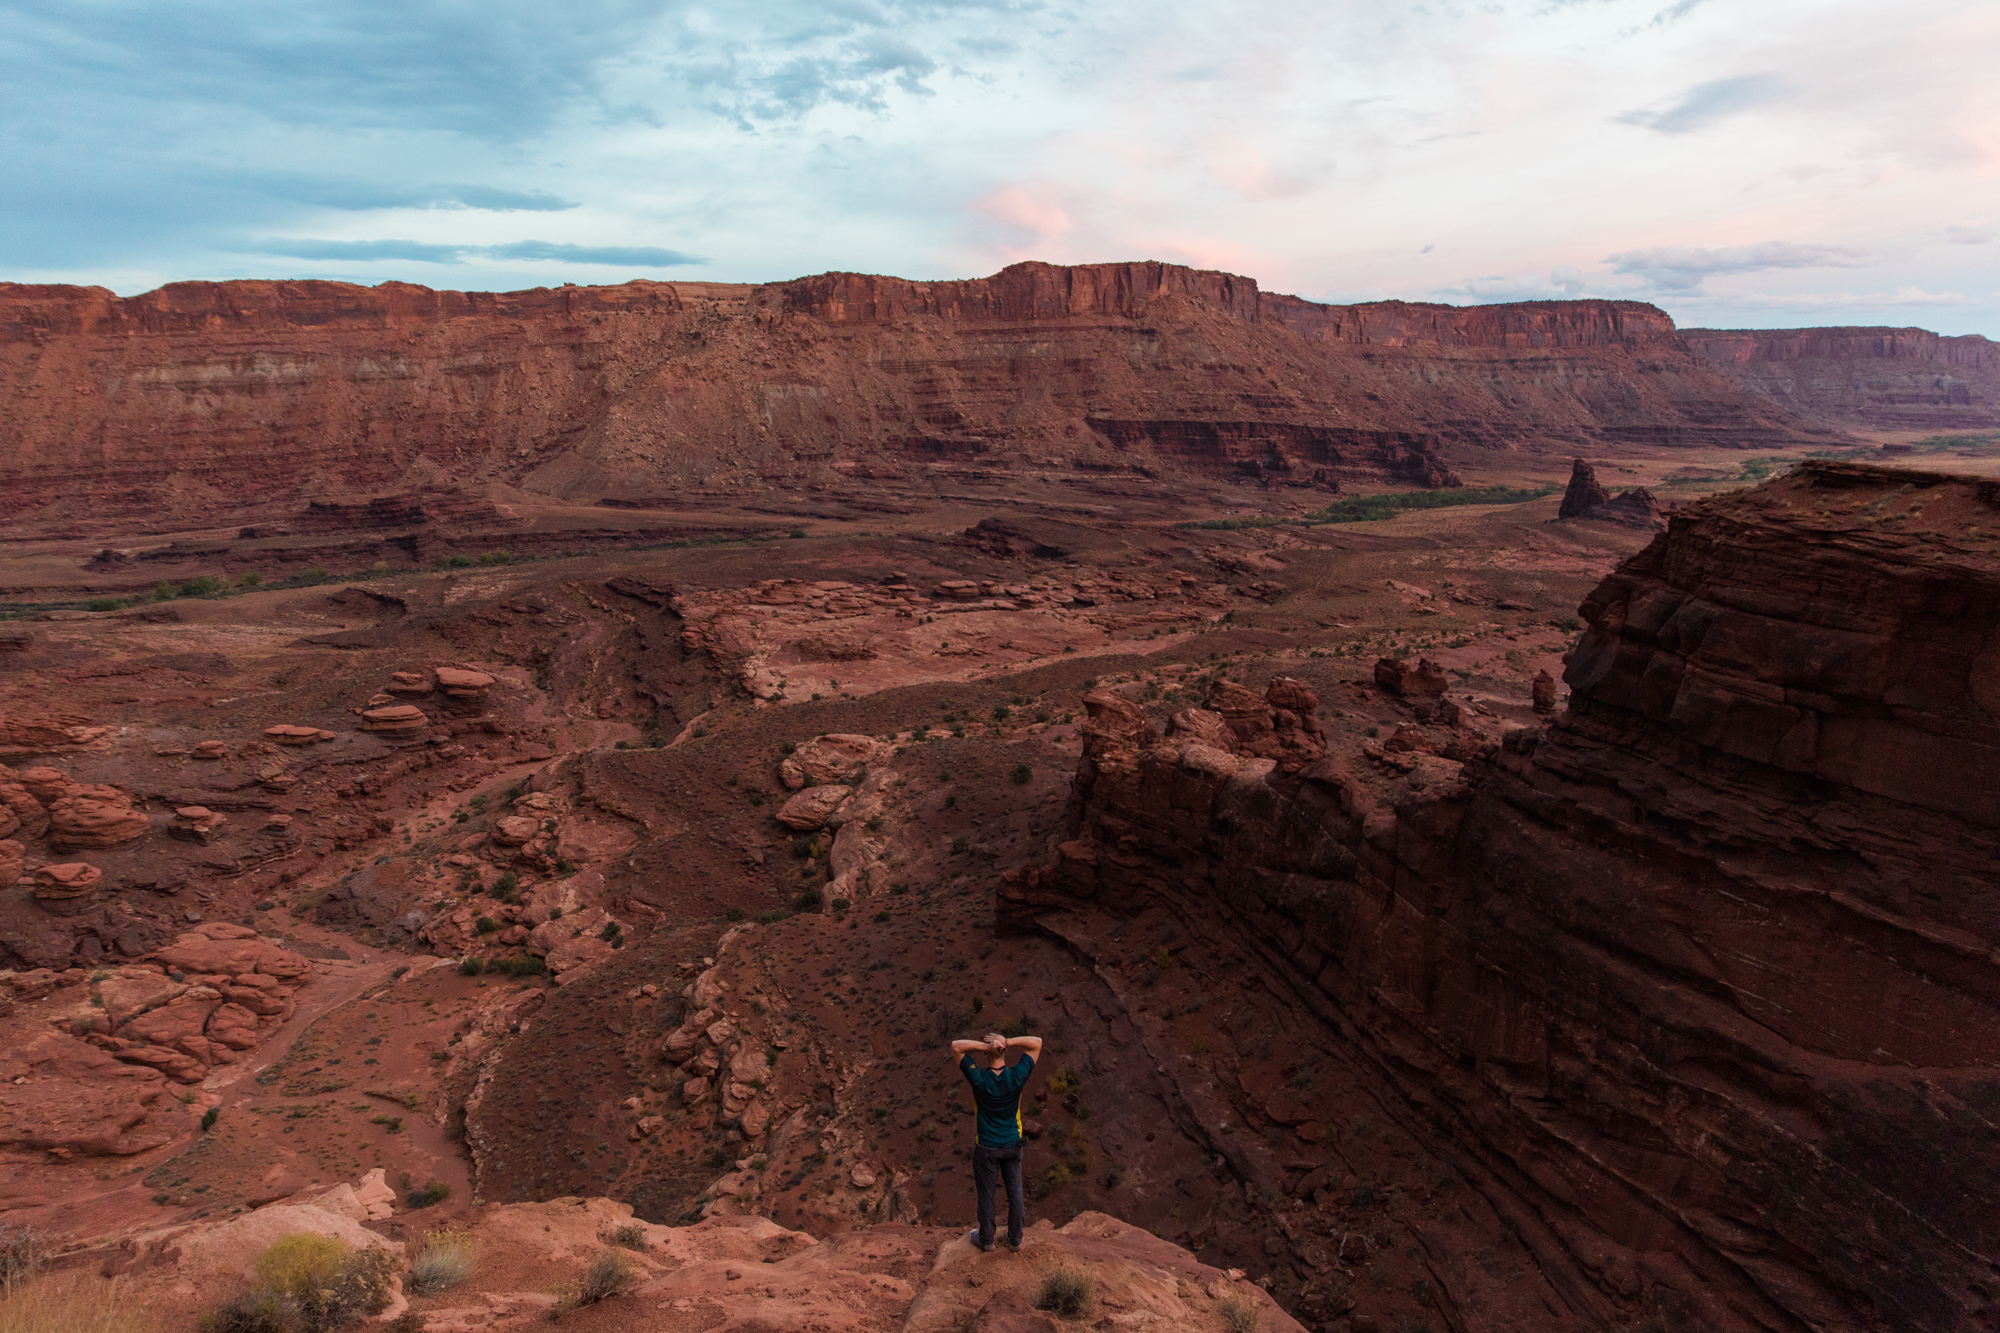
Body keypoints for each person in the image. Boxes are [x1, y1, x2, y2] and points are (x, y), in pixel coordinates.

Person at [950, 1029, 1042, 1252]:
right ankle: (1015, 1239)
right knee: (1015, 1192)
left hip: (987, 1147)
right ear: (1003, 1052)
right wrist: (1006, 1042)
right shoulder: (1017, 1076)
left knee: (987, 1194)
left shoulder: (979, 1079)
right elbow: (1036, 1043)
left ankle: (987, 1240)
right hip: (1012, 1143)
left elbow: (956, 1046)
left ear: (989, 1054)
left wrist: (986, 1047)